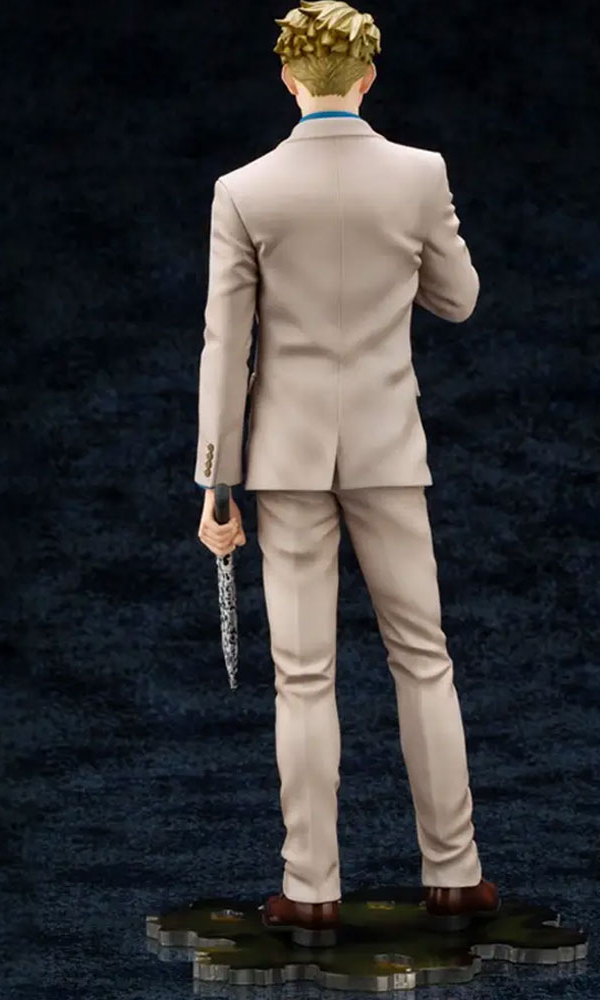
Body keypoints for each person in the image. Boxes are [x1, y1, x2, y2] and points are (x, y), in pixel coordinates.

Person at [193, 0, 499, 945]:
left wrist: (216, 483)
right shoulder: (420, 174)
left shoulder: (244, 190)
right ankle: (455, 873)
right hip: (388, 447)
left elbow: (225, 346)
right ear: (368, 76)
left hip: (285, 459)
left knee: (302, 676)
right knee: (424, 659)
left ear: (288, 78)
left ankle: (311, 885)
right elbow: (459, 298)